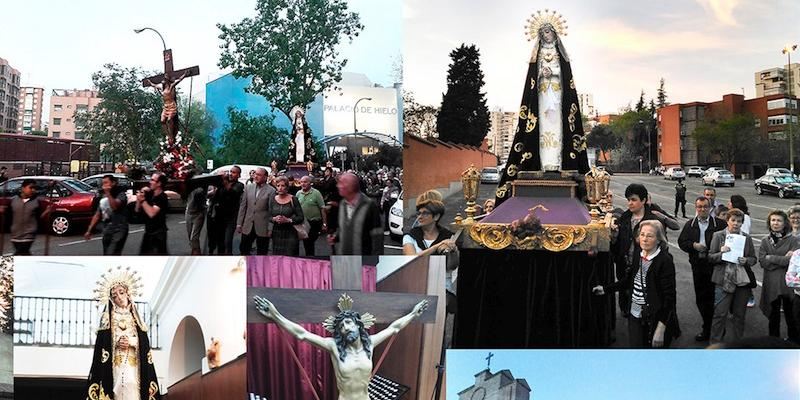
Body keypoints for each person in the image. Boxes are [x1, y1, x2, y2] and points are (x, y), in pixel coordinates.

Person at [253, 294, 427, 400]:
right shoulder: (333, 346)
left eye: (349, 323)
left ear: (358, 324)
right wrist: (276, 316)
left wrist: (413, 314)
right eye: (342, 327)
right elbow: (302, 334)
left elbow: (394, 328)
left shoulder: (370, 343)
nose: (346, 328)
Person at [494, 13, 589, 206]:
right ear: (540, 34)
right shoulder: (536, 55)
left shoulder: (561, 55)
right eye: (544, 32)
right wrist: (541, 74)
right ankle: (541, 164)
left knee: (559, 129)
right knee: (541, 128)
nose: (547, 35)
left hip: (558, 97)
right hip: (542, 98)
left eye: (549, 31)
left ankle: (559, 164)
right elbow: (532, 78)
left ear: (555, 33)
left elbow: (566, 76)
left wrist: (552, 72)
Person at [594, 220, 679, 348]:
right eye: (642, 235)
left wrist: (661, 329)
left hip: (654, 319)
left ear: (658, 239)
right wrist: (605, 289)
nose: (644, 239)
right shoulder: (638, 255)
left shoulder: (664, 261)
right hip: (634, 315)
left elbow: (669, 298)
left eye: (650, 236)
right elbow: (629, 281)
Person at [86, 267, 161, 400]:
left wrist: (131, 341)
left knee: (132, 385)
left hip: (134, 362)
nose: (119, 298)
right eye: (114, 296)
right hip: (115, 361)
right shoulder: (107, 320)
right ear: (111, 300)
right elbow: (103, 343)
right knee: (119, 386)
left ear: (128, 294)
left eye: (121, 293)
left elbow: (144, 342)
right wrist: (116, 341)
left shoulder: (136, 319)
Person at [611, 184, 671, 315]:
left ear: (643, 200)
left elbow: (662, 244)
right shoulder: (624, 218)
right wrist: (614, 238)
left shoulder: (653, 221)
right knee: (625, 295)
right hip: (624, 264)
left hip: (644, 266)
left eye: (633, 199)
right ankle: (627, 312)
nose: (630, 203)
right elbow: (617, 243)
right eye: (628, 200)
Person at [678, 196, 727, 342]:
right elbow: (682, 242)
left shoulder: (719, 224)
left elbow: (728, 239)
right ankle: (707, 327)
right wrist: (693, 245)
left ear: (710, 208)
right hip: (698, 266)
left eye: (705, 206)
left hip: (716, 266)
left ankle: (718, 328)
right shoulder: (690, 224)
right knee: (701, 299)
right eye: (699, 207)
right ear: (696, 208)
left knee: (716, 299)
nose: (702, 209)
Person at [708, 208, 757, 344]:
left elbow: (753, 258)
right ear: (727, 221)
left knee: (739, 315)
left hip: (742, 280)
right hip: (723, 279)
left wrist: (746, 260)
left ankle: (738, 343)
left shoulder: (746, 238)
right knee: (720, 313)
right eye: (733, 220)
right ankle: (715, 343)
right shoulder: (718, 236)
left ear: (742, 223)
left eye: (739, 221)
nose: (736, 223)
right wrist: (721, 253)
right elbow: (710, 257)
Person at [757, 210, 800, 343]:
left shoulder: (793, 240)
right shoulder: (765, 241)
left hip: (788, 285)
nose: (776, 223)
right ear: (769, 222)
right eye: (773, 220)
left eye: (779, 220)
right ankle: (774, 342)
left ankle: (793, 342)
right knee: (773, 317)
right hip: (771, 284)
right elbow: (763, 262)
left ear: (785, 223)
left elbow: (793, 261)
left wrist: (771, 258)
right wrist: (782, 260)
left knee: (791, 317)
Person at [328, 172, 383, 255]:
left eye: (342, 183)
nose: (338, 186)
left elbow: (377, 237)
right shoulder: (342, 204)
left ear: (351, 186)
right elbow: (344, 227)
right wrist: (335, 237)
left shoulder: (369, 205)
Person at [3, 179, 49, 255]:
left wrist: (46, 212)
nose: (33, 190)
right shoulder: (13, 201)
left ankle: (5, 262)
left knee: (20, 253)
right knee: (24, 255)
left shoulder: (36, 202)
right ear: (23, 188)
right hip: (15, 235)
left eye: (34, 188)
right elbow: (8, 217)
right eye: (31, 188)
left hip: (29, 235)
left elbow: (38, 217)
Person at [84, 175, 129, 255]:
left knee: (112, 252)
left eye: (106, 183)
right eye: (103, 183)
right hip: (107, 229)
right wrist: (89, 230)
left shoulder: (120, 194)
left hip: (119, 228)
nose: (104, 185)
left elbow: (115, 206)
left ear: (113, 183)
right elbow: (98, 214)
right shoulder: (103, 196)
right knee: (106, 252)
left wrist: (108, 193)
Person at [237, 167, 274, 255]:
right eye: (255, 174)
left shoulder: (271, 191)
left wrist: (270, 228)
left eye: (259, 175)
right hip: (248, 225)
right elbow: (243, 207)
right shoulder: (248, 188)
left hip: (263, 226)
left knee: (262, 252)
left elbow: (271, 211)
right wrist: (239, 223)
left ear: (265, 177)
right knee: (244, 249)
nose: (256, 176)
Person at [269, 176, 305, 256]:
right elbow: (269, 216)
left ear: (287, 187)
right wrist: (274, 219)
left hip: (291, 233)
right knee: (278, 256)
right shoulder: (273, 199)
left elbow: (301, 217)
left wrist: (288, 220)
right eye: (278, 186)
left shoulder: (293, 199)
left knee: (290, 256)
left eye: (283, 185)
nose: (280, 188)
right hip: (277, 234)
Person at [135, 172, 169, 255]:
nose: (150, 182)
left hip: (158, 234)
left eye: (153, 180)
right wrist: (140, 197)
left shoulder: (162, 197)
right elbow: (137, 210)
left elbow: (152, 213)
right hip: (148, 232)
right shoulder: (150, 195)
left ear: (159, 183)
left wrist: (143, 201)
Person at [297, 175, 326, 256]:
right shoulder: (298, 193)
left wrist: (324, 223)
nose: (303, 184)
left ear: (310, 183)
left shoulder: (316, 193)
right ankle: (310, 257)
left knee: (309, 241)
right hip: (303, 223)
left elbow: (322, 208)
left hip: (314, 223)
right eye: (301, 182)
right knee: (307, 242)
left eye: (305, 182)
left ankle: (310, 257)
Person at [218, 166, 245, 254]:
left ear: (239, 175)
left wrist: (225, 182)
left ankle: (228, 256)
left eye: (233, 172)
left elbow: (233, 193)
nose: (230, 174)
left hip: (231, 217)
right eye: (230, 172)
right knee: (220, 241)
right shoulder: (223, 184)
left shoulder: (239, 185)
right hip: (220, 216)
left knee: (228, 241)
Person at [184, 184, 207, 255]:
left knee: (194, 238)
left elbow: (200, 194)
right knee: (190, 237)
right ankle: (195, 251)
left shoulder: (200, 189)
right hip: (189, 213)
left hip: (198, 214)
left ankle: (196, 254)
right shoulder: (188, 187)